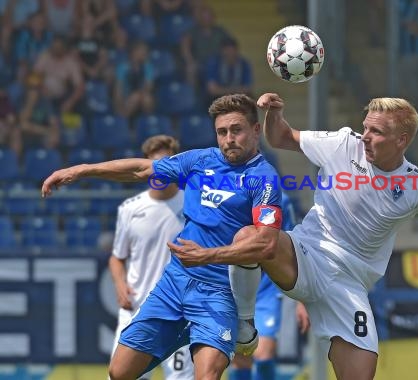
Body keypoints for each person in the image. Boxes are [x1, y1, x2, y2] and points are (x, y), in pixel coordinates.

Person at [168, 92, 418, 380]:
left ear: (402, 139)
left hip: (349, 284)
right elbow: (280, 137)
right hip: (306, 254)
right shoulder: (343, 143)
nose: (366, 136)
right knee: (253, 233)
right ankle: (245, 324)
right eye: (366, 126)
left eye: (377, 132)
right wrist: (274, 113)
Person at [41, 94, 283, 380]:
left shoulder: (264, 177)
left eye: (236, 129)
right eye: (222, 132)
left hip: (219, 292)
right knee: (119, 372)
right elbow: (142, 168)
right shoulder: (200, 160)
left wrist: (206, 256)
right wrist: (82, 170)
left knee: (206, 376)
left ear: (255, 130)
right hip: (175, 284)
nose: (229, 138)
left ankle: (243, 319)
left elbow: (266, 244)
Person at [109, 135, 194, 380]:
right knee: (123, 375)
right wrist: (120, 285)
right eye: (156, 163)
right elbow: (117, 257)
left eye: (168, 162)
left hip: (179, 311)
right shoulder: (130, 209)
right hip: (136, 310)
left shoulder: (193, 203)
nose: (162, 169)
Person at [230, 193, 310, 380]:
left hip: (267, 289)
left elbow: (293, 249)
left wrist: (302, 300)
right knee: (241, 356)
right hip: (234, 287)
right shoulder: (228, 195)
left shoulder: (281, 199)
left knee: (263, 353)